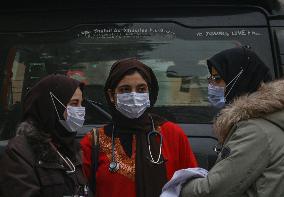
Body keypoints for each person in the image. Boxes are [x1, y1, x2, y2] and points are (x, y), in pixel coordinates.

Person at [80, 58, 198, 197]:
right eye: (125, 89)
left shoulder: (172, 134)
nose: (134, 95)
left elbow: (192, 186)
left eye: (141, 89)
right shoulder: (93, 141)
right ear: (112, 95)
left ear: (149, 92)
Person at [180, 47, 284, 197]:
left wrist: (178, 186)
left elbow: (213, 190)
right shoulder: (265, 119)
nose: (211, 85)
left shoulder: (254, 131)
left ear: (239, 78)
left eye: (217, 78)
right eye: (210, 78)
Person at [0, 74, 88, 197]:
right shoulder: (20, 152)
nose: (80, 110)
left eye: (81, 103)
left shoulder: (70, 146)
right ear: (50, 106)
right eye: (73, 103)